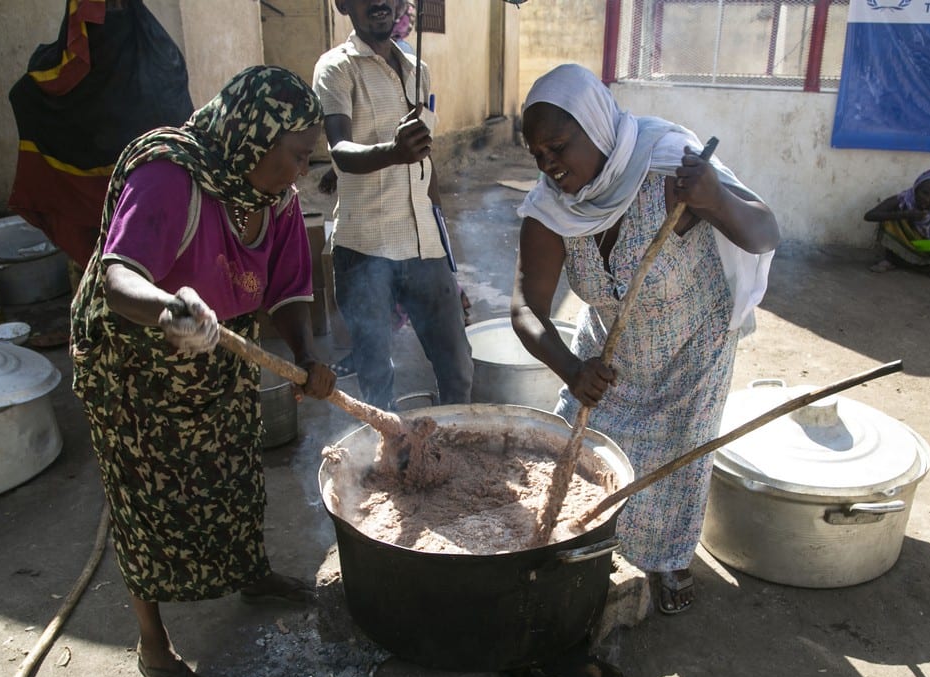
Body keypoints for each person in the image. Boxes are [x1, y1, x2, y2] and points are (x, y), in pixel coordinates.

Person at [69, 66, 336, 677]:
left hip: (217, 352)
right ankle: (152, 644)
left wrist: (306, 356)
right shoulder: (169, 176)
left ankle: (250, 573)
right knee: (148, 501)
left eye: (308, 158)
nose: (301, 172)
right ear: (254, 134)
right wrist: (170, 310)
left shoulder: (277, 200)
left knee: (233, 473)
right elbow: (118, 277)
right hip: (135, 362)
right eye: (295, 156)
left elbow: (289, 289)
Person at [511, 64, 779, 615]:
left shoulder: (668, 168)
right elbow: (525, 307)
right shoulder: (551, 208)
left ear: (597, 128)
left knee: (675, 464)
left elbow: (764, 232)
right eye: (538, 156)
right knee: (583, 453)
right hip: (610, 350)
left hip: (692, 344)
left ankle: (669, 561)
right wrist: (570, 368)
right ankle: (595, 553)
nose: (550, 166)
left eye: (559, 147)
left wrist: (713, 201)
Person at [313, 0, 473, 409]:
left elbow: (424, 161)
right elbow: (341, 151)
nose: (380, 3)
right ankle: (386, 461)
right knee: (376, 379)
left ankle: (450, 453)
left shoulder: (418, 69)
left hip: (425, 247)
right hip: (365, 248)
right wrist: (392, 151)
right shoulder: (336, 67)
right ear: (343, 4)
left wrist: (446, 249)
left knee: (457, 368)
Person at [864, 168, 930, 280]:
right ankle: (891, 260)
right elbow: (869, 216)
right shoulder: (903, 200)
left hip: (927, 251)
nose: (927, 199)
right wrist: (905, 214)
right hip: (902, 248)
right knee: (893, 212)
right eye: (924, 193)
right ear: (916, 189)